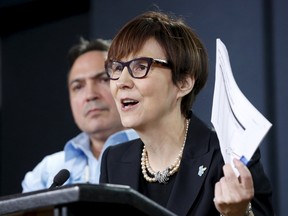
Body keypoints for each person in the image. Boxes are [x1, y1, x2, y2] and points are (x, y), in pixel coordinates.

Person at [99, 11, 274, 216]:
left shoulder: (229, 156)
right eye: (117, 68)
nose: (121, 82)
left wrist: (237, 213)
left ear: (183, 83)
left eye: (140, 67)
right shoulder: (114, 161)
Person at [21, 37, 138, 192]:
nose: (90, 95)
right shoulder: (47, 172)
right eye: (78, 87)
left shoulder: (157, 155)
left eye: (103, 79)